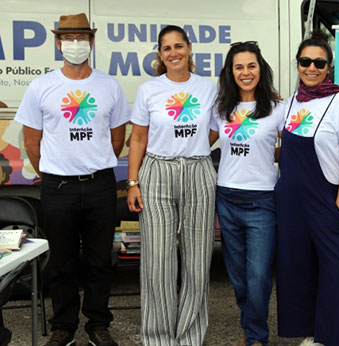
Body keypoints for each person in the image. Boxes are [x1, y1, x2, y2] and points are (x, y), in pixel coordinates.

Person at [14, 13, 129, 346]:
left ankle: (97, 325)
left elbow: (117, 137)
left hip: (99, 185)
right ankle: (64, 326)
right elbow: (31, 142)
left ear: (91, 42)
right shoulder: (41, 86)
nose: (75, 44)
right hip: (58, 187)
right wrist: (53, 170)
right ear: (57, 43)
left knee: (99, 260)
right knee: (62, 262)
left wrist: (93, 163)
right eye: (69, 38)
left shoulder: (109, 85)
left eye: (82, 38)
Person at [275, 29, 339, 346]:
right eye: (305, 61)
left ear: (329, 66)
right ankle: (313, 335)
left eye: (319, 62)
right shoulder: (290, 103)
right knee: (299, 270)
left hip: (327, 199)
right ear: (298, 64)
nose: (311, 68)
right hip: (292, 205)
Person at [126, 25, 217, 346]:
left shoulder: (209, 88)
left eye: (179, 46)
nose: (174, 53)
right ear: (160, 55)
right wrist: (133, 182)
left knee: (197, 260)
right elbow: (137, 137)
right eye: (167, 48)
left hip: (198, 173)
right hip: (156, 173)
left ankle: (190, 336)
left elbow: (217, 129)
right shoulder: (149, 90)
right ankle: (158, 338)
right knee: (158, 261)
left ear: (190, 49)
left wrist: (194, 150)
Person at [211, 41, 283, 346]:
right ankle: (251, 329)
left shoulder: (278, 108)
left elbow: (294, 148)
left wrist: (269, 155)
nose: (245, 72)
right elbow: (202, 143)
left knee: (258, 277)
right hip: (226, 199)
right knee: (239, 278)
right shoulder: (220, 108)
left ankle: (256, 337)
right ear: (230, 72)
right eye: (238, 67)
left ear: (261, 69)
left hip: (262, 202)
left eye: (251, 65)